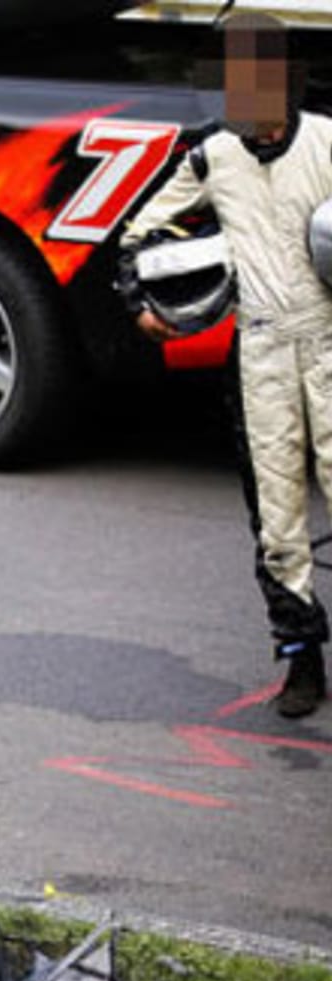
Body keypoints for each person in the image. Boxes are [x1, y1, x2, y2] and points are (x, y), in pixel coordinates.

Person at [120, 11, 332, 718]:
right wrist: (142, 301)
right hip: (262, 350)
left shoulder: (328, 140)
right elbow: (138, 234)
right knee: (277, 519)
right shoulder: (212, 158)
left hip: (329, 340)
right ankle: (302, 659)